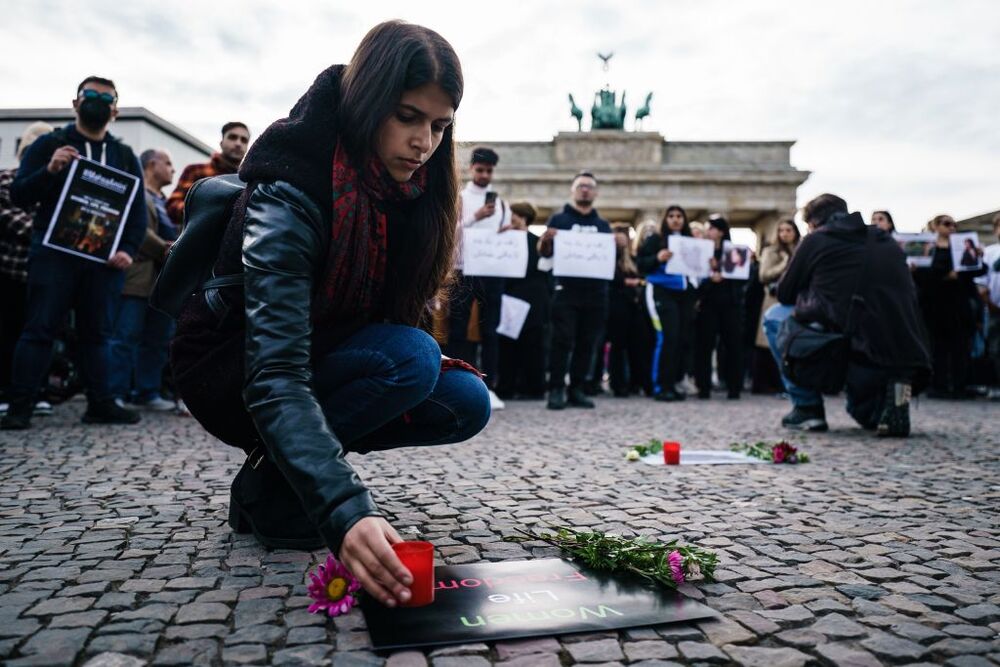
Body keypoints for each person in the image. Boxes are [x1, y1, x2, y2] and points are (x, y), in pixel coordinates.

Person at [166, 21, 489, 608]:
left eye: (440, 126)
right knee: (412, 360)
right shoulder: (291, 191)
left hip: (324, 348)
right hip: (234, 365)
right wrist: (347, 510)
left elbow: (395, 318)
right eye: (409, 117)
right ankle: (275, 487)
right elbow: (274, 371)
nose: (425, 143)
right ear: (368, 103)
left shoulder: (414, 189)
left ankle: (279, 474)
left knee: (464, 400)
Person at [2, 76, 146, 430]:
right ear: (75, 103)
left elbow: (136, 210)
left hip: (103, 261)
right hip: (54, 255)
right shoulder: (52, 144)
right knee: (39, 329)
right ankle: (20, 406)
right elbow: (19, 194)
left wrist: (127, 249)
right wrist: (50, 170)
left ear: (115, 110)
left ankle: (101, 403)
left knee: (97, 334)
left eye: (105, 97)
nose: (97, 100)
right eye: (90, 95)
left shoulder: (123, 155)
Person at [763, 193, 931, 435]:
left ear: (813, 222)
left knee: (775, 317)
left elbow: (786, 294)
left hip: (838, 339)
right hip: (896, 345)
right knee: (865, 415)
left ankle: (807, 407)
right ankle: (890, 394)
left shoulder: (816, 239)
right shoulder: (884, 239)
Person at [108, 149, 177, 411]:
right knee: (124, 336)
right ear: (151, 165)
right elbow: (137, 230)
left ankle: (147, 391)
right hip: (137, 278)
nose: (172, 169)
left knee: (157, 339)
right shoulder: (135, 193)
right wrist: (165, 248)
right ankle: (115, 392)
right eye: (168, 163)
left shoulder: (163, 200)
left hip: (161, 281)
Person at [537, 172, 613, 410]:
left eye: (589, 187)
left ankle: (577, 388)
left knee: (587, 342)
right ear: (573, 190)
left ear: (596, 192)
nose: (585, 190)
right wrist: (546, 240)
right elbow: (544, 254)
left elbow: (610, 260)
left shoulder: (603, 226)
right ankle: (556, 388)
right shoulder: (559, 220)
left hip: (596, 293)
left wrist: (620, 245)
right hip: (566, 290)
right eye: (580, 186)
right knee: (562, 340)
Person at [446, 147, 511, 410]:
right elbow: (451, 233)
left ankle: (490, 386)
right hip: (464, 270)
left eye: (489, 171)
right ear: (472, 169)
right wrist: (476, 217)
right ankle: (457, 384)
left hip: (492, 272)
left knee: (490, 331)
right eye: (480, 169)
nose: (484, 174)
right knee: (458, 329)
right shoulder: (460, 198)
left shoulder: (502, 205)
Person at [0, 122, 54, 418]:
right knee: (10, 333)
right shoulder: (6, 178)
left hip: (43, 271)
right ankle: (9, 390)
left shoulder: (52, 183)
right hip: (11, 271)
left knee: (42, 332)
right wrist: (54, 232)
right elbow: (11, 217)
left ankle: (39, 390)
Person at [914, 214, 985, 398]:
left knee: (960, 345)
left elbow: (978, 270)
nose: (952, 227)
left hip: (958, 304)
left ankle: (959, 384)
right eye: (947, 224)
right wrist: (946, 276)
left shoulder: (961, 246)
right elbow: (922, 276)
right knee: (938, 346)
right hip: (936, 304)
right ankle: (940, 384)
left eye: (954, 224)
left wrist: (977, 257)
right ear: (936, 226)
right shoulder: (929, 248)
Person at [636, 205, 696, 401]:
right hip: (661, 293)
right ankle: (660, 385)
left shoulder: (691, 242)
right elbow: (641, 265)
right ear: (665, 219)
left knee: (680, 339)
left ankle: (672, 383)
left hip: (684, 295)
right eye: (671, 216)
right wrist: (657, 258)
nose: (676, 219)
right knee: (667, 337)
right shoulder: (655, 240)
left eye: (680, 216)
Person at [494, 202, 549, 400]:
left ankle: (532, 386)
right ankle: (509, 385)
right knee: (508, 345)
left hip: (532, 298)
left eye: (513, 215)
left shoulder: (538, 242)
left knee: (532, 344)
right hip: (510, 297)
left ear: (523, 217)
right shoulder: (502, 240)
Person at [166, 121, 250, 228]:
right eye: (232, 137)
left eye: (244, 140)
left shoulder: (248, 181)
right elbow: (172, 207)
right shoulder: (195, 171)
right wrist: (204, 213)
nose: (238, 143)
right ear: (221, 143)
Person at [694, 216, 743, 400]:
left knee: (732, 346)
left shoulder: (734, 251)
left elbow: (742, 277)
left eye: (712, 229)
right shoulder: (701, 251)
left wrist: (723, 270)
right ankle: (703, 387)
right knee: (704, 346)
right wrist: (709, 277)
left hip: (730, 304)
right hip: (707, 304)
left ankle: (734, 387)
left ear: (721, 231)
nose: (708, 232)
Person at [752, 219, 800, 394]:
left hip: (796, 301)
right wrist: (784, 264)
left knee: (791, 341)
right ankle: (766, 383)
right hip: (774, 300)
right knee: (770, 340)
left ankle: (787, 383)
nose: (785, 234)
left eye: (789, 230)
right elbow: (763, 275)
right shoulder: (770, 252)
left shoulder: (801, 250)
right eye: (782, 230)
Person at [606, 224, 643, 397]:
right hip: (616, 305)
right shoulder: (608, 257)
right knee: (618, 346)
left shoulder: (634, 259)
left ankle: (635, 382)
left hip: (633, 306)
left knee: (635, 345)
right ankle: (618, 383)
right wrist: (627, 282)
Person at [976, 214, 1000, 400]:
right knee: (994, 347)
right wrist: (988, 302)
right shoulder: (990, 253)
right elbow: (982, 283)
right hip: (994, 309)